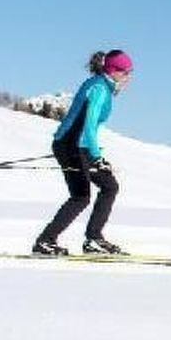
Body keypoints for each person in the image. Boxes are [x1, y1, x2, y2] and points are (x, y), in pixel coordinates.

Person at [33, 49, 133, 256]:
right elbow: (88, 124)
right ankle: (45, 242)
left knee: (109, 186)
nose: (128, 77)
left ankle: (94, 239)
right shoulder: (99, 88)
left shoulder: (102, 85)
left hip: (80, 146)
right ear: (113, 71)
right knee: (80, 196)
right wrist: (96, 157)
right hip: (71, 146)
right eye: (125, 72)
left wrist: (94, 154)